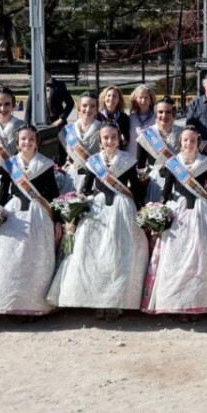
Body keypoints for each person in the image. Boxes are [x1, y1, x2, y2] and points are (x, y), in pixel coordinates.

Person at [46, 122, 147, 321]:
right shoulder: (94, 162)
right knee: (94, 255)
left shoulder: (128, 160)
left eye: (113, 137)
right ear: (100, 141)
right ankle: (97, 301)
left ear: (120, 139)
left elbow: (135, 188)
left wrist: (143, 212)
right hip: (98, 210)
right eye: (105, 138)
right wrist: (76, 205)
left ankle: (116, 302)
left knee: (118, 256)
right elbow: (85, 188)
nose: (109, 141)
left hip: (122, 210)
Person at [0, 125, 60, 319]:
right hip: (14, 213)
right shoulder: (9, 165)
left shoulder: (45, 164)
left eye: (31, 139)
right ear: (17, 143)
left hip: (38, 215)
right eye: (23, 139)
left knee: (33, 259)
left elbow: (53, 194)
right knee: (6, 254)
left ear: (37, 143)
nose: (27, 142)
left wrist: (58, 221)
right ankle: (8, 303)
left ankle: (32, 305)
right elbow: (2, 193)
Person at [144, 126, 207, 320]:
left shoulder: (205, 162)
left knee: (200, 257)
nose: (189, 144)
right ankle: (177, 303)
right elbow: (166, 191)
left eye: (192, 141)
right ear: (180, 143)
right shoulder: (173, 164)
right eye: (185, 141)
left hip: (202, 212)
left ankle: (197, 303)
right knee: (176, 255)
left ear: (198, 144)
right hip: (178, 213)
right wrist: (159, 212)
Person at [138, 97, 184, 203]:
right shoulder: (147, 135)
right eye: (160, 112)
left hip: (176, 180)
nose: (164, 115)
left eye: (168, 112)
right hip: (154, 182)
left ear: (173, 113)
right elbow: (140, 165)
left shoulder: (182, 133)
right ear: (155, 113)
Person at [59, 92, 103, 192]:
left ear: (96, 110)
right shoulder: (66, 131)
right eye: (84, 105)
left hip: (94, 177)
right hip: (72, 177)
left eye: (92, 106)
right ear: (79, 108)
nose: (88, 109)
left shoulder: (103, 129)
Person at [126, 85, 156, 158]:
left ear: (151, 100)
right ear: (135, 99)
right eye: (140, 97)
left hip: (150, 159)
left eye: (146, 97)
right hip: (131, 159)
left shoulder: (157, 117)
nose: (143, 101)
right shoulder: (130, 118)